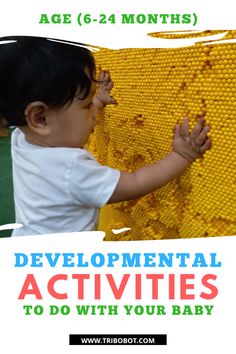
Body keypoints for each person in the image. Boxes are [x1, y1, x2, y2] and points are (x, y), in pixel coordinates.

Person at [0, 36, 211, 236]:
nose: (93, 111)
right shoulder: (71, 169)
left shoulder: (21, 136)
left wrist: (96, 102)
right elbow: (136, 183)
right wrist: (182, 155)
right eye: (86, 105)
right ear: (40, 119)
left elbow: (65, 118)